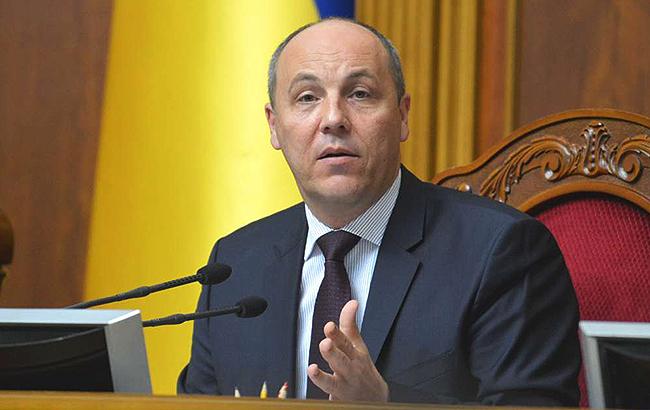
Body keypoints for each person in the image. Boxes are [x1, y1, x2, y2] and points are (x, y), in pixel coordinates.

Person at [178, 18, 580, 405]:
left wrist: (385, 403)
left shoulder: (501, 252)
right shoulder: (235, 265)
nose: (333, 119)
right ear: (274, 125)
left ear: (402, 115)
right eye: (307, 98)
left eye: (360, 94)